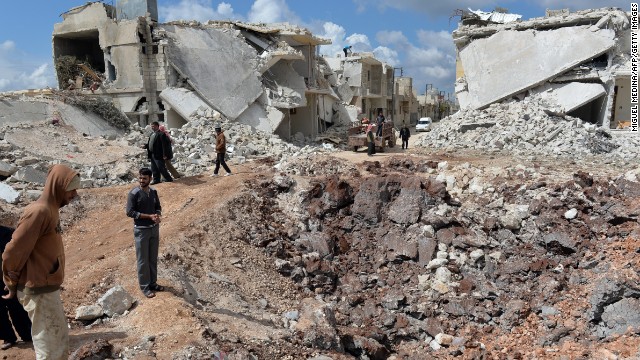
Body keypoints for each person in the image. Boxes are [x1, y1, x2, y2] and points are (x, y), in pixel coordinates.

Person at [2, 164, 80, 359]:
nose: (75, 194)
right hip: (38, 290)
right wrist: (10, 280)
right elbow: (13, 250)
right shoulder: (39, 212)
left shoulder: (51, 210)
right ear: (59, 186)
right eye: (72, 189)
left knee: (58, 343)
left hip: (47, 288)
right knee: (49, 349)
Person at [126, 168, 164, 299]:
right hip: (141, 231)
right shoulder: (134, 193)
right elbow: (130, 212)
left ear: (150, 179)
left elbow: (158, 207)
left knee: (152, 258)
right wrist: (149, 216)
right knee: (143, 260)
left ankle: (153, 283)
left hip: (154, 229)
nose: (142, 181)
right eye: (140, 178)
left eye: (145, 179)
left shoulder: (153, 192)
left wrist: (157, 215)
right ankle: (145, 287)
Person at [0, 226, 32, 351]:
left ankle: (27, 333)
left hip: (9, 276)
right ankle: (8, 338)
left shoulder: (8, 233)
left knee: (16, 305)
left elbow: (19, 254)